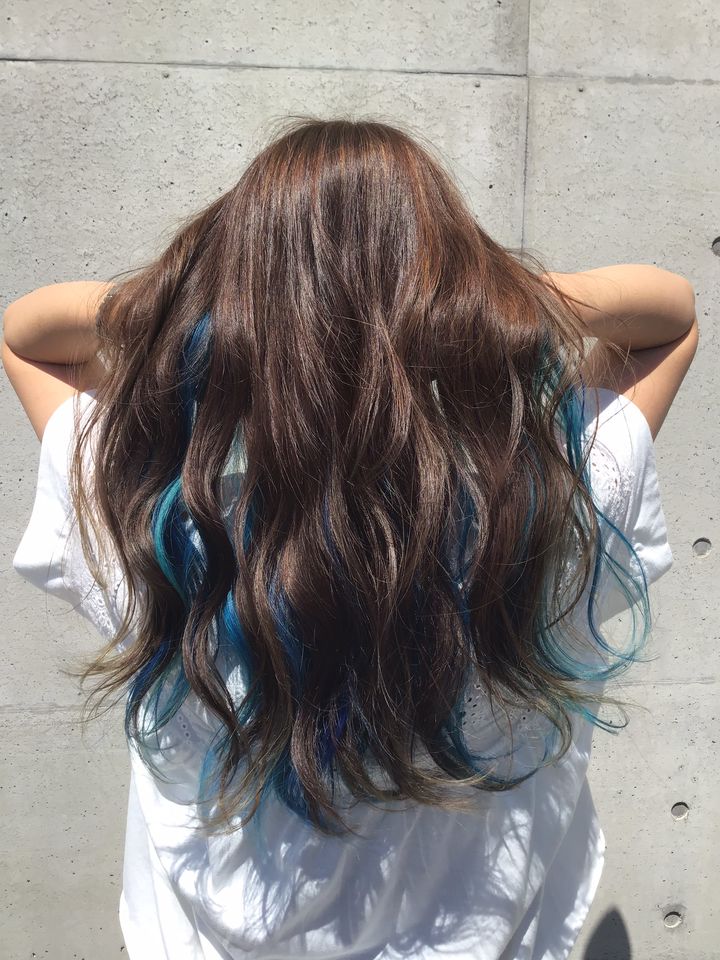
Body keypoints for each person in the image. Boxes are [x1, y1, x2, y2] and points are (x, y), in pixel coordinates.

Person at [2, 117, 698, 960]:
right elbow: (669, 318)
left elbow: (28, 337)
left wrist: (194, 304)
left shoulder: (160, 533)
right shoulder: (538, 518)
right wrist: (493, 301)